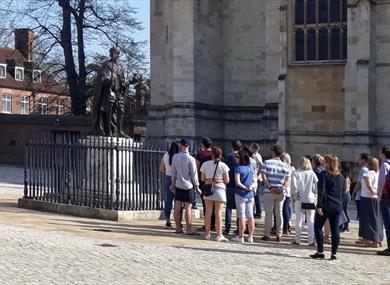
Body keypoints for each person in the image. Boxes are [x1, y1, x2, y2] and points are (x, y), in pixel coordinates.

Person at [310, 155, 344, 260]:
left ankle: (320, 251)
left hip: (326, 205)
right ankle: (334, 254)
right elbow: (342, 192)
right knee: (335, 230)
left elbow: (322, 191)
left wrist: (319, 205)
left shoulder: (324, 174)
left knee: (318, 227)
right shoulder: (341, 177)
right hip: (337, 205)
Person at [171, 138, 201, 234]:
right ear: (188, 146)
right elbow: (194, 174)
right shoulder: (191, 159)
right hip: (189, 185)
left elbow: (173, 172)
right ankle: (188, 228)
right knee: (188, 207)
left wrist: (173, 182)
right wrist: (197, 186)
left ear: (181, 145)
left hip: (178, 184)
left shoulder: (175, 157)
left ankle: (178, 228)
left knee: (177, 206)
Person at [261, 145, 290, 242]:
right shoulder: (285, 165)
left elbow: (264, 177)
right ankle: (279, 234)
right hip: (280, 192)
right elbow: (287, 180)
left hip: (269, 192)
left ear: (273, 152)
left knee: (268, 214)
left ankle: (267, 234)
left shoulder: (267, 163)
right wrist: (282, 188)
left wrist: (270, 187)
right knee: (279, 213)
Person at [200, 147, 230, 242]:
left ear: (212, 154)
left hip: (209, 188)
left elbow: (202, 178)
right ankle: (219, 234)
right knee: (218, 213)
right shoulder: (223, 165)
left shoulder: (205, 164)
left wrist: (209, 179)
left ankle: (207, 233)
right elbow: (227, 180)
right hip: (220, 189)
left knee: (208, 212)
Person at [291, 157, 318, 246]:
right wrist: (315, 195)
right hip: (310, 198)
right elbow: (317, 184)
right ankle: (311, 240)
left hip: (299, 199)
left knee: (299, 220)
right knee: (310, 220)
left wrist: (295, 196)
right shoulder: (312, 173)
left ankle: (297, 239)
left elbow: (294, 187)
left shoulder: (295, 173)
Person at [355, 157, 382, 247]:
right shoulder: (378, 173)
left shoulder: (368, 173)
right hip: (375, 198)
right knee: (374, 219)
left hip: (367, 197)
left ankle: (369, 239)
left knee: (367, 219)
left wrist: (373, 191)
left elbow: (368, 184)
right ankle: (377, 239)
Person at [232, 150, 257, 243]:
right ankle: (250, 236)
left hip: (241, 193)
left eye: (237, 157)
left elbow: (237, 182)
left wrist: (245, 187)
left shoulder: (238, 168)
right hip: (250, 194)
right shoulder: (250, 167)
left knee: (241, 216)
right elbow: (255, 181)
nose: (236, 159)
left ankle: (241, 236)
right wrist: (251, 187)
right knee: (250, 216)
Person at [223, 140, 242, 235]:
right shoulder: (242, 156)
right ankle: (239, 227)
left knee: (229, 207)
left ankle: (227, 227)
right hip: (239, 184)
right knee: (240, 207)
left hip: (230, 183)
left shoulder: (228, 156)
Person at [160, 141, 180, 229]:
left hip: (168, 177)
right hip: (178, 178)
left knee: (168, 200)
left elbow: (161, 169)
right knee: (178, 201)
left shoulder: (165, 155)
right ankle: (178, 221)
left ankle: (168, 221)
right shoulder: (179, 156)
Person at [311, 154, 331, 243]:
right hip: (328, 196)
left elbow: (316, 185)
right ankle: (327, 236)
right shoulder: (325, 169)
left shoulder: (316, 171)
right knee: (326, 217)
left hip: (320, 195)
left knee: (318, 217)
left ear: (314, 162)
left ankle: (319, 236)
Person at [195, 137, 214, 230]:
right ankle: (213, 223)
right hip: (214, 180)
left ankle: (207, 224)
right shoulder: (214, 153)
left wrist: (197, 180)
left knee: (206, 204)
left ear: (203, 145)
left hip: (203, 180)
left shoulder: (200, 154)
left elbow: (196, 167)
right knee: (214, 203)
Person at [377, 146, 390, 256]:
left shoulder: (384, 165)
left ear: (383, 154)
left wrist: (379, 195)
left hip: (386, 197)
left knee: (388, 223)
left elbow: (381, 183)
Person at [352, 153, 369, 220]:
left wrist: (353, 192)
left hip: (361, 195)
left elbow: (359, 183)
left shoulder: (364, 169)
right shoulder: (367, 169)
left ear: (364, 160)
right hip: (363, 195)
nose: (358, 161)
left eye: (359, 159)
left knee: (360, 216)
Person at [280, 153, 294, 235]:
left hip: (284, 191)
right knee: (287, 210)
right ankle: (287, 226)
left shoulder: (284, 168)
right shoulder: (292, 169)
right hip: (289, 192)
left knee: (283, 210)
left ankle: (285, 227)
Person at [250, 143, 263, 219]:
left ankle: (258, 212)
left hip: (257, 178)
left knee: (256, 195)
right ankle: (256, 211)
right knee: (255, 195)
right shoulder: (255, 155)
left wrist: (258, 174)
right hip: (256, 177)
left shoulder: (257, 156)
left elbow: (261, 165)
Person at [340, 162, 352, 233]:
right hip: (346, 195)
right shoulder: (346, 176)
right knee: (343, 211)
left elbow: (345, 188)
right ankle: (342, 225)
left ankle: (346, 225)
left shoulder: (345, 177)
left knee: (343, 211)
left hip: (345, 195)